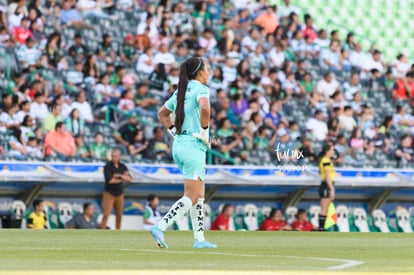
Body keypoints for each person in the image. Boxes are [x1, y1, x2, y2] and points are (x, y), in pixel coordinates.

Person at [149, 57, 217, 249]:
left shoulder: (181, 90)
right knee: (192, 195)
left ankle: (199, 239)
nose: (209, 72)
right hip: (194, 145)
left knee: (199, 193)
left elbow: (162, 113)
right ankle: (160, 226)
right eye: (207, 68)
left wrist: (172, 130)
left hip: (180, 144)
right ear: (200, 72)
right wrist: (204, 130)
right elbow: (205, 108)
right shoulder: (201, 89)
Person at [100, 149, 132, 230]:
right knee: (106, 214)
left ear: (119, 157)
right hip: (109, 193)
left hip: (119, 193)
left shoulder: (122, 166)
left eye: (116, 156)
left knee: (119, 215)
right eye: (113, 156)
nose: (114, 158)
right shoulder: (107, 166)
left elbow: (129, 179)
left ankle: (118, 231)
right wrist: (122, 178)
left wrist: (119, 176)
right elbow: (110, 181)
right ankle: (101, 231)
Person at [318, 143, 336, 231]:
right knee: (324, 208)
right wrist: (332, 189)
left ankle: (322, 227)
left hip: (326, 185)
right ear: (327, 151)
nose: (333, 152)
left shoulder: (326, 160)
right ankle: (321, 228)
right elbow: (327, 176)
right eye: (332, 150)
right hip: (326, 185)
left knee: (326, 207)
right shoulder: (326, 161)